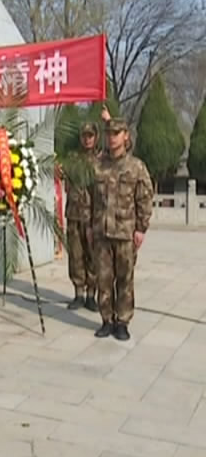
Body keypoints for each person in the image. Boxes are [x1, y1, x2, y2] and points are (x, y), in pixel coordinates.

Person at [91, 116, 153, 341]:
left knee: (125, 278)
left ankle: (122, 321)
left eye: (117, 133)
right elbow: (90, 198)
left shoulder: (136, 166)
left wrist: (141, 228)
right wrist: (91, 227)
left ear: (126, 136)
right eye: (109, 134)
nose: (112, 138)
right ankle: (106, 320)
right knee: (103, 279)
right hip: (101, 232)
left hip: (125, 232)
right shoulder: (98, 165)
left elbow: (145, 198)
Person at [64, 122, 100, 311]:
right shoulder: (72, 159)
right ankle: (78, 293)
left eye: (90, 135)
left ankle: (91, 295)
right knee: (75, 255)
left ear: (96, 137)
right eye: (84, 135)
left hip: (92, 217)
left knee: (92, 256)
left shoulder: (100, 160)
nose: (87, 139)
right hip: (73, 215)